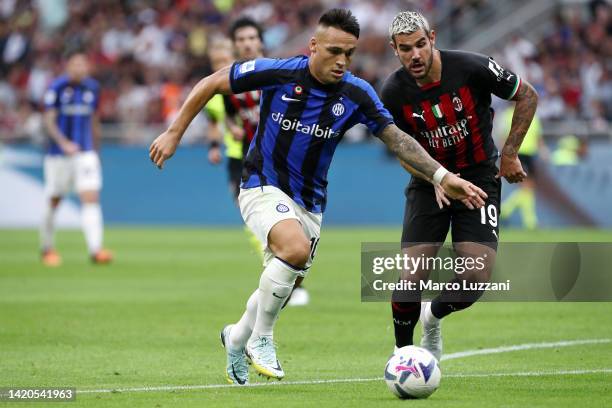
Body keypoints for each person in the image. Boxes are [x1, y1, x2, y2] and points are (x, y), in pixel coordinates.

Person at [149, 9, 486, 385]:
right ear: (313, 46)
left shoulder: (356, 93)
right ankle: (262, 339)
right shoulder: (279, 72)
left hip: (310, 202)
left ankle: (236, 336)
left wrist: (440, 175)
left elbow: (398, 139)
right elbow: (211, 83)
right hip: (261, 182)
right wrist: (174, 133)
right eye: (333, 51)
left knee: (283, 277)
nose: (341, 61)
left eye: (349, 53)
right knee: (292, 251)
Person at [380, 11, 538, 361]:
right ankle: (402, 355)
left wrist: (510, 154)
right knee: (412, 277)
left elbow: (527, 95)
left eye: (421, 45)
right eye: (406, 49)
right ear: (395, 49)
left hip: (479, 177)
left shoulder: (472, 67)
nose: (415, 55)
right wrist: (433, 176)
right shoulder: (392, 92)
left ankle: (432, 318)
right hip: (428, 184)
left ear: (432, 38)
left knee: (476, 276)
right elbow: (400, 149)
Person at [41, 53, 113, 267]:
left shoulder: (92, 88)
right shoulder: (56, 88)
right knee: (55, 199)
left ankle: (95, 249)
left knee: (91, 197)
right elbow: (48, 120)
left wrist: (96, 151)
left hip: (86, 153)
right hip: (59, 155)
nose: (79, 68)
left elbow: (94, 120)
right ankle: (47, 247)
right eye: (75, 65)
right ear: (68, 66)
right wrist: (63, 143)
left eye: (83, 64)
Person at [499, 106, 545, 229]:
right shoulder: (508, 114)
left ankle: (506, 210)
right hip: (517, 153)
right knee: (527, 187)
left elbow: (537, 135)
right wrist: (505, 155)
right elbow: (504, 135)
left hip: (530, 153)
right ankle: (530, 222)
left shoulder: (532, 113)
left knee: (528, 188)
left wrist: (542, 150)